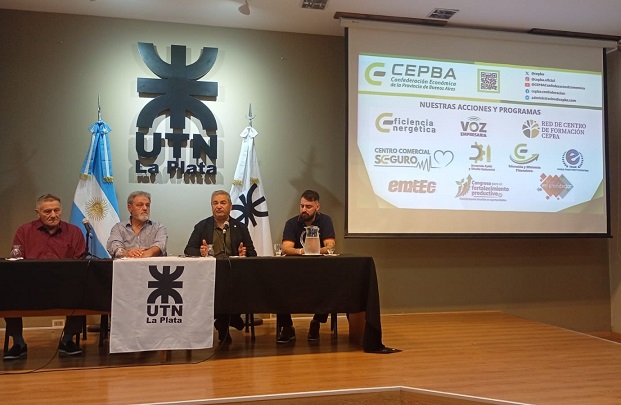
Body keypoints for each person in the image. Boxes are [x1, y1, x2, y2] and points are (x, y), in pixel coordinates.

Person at [3, 194, 87, 360]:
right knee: (6, 292)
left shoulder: (74, 231)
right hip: (30, 286)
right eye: (47, 211)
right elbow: (16, 260)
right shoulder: (24, 231)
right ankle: (18, 343)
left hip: (64, 286)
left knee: (83, 291)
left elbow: (80, 263)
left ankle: (67, 340)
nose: (53, 215)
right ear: (38, 213)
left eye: (57, 210)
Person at [184, 190, 257, 343]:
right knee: (219, 286)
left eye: (223, 203)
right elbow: (188, 249)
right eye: (215, 203)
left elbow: (252, 253)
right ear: (211, 206)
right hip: (209, 274)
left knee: (234, 285)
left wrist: (243, 253)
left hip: (235, 274)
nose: (219, 206)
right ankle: (230, 321)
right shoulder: (202, 226)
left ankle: (226, 321)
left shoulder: (240, 227)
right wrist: (200, 252)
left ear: (230, 206)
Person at [277, 189, 336, 344]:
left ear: (317, 207)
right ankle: (287, 327)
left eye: (308, 206)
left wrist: (311, 251)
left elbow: (330, 247)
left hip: (319, 271)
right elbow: (286, 249)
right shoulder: (292, 223)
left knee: (331, 285)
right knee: (277, 286)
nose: (304, 209)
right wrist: (304, 251)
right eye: (302, 206)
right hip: (294, 272)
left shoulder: (325, 221)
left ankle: (316, 322)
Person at [106, 191, 168, 258]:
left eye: (147, 205)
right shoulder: (119, 228)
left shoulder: (159, 227)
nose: (145, 208)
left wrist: (143, 254)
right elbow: (114, 246)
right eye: (140, 205)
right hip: (127, 264)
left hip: (151, 264)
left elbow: (160, 246)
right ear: (130, 208)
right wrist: (127, 253)